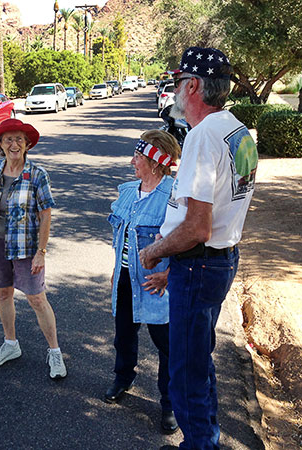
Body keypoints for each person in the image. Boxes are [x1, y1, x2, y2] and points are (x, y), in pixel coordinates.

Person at [139, 47, 258, 450]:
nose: (172, 92)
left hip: (200, 265)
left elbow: (197, 227)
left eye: (176, 83)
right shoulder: (237, 130)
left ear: (192, 85)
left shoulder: (202, 137)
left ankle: (200, 443)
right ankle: (206, 437)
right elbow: (221, 216)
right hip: (217, 261)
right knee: (198, 361)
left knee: (186, 373)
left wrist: (156, 251)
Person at [0, 118, 67, 380]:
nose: (14, 144)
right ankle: (11, 344)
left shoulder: (37, 175)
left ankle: (54, 351)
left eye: (19, 139)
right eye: (8, 139)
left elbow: (46, 215)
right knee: (2, 294)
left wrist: (41, 252)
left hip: (26, 247)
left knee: (36, 298)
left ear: (27, 144)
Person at [106, 130, 181, 435]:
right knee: (123, 336)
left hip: (156, 283)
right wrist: (115, 270)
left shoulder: (174, 197)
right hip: (125, 279)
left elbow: (187, 243)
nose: (132, 161)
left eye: (137, 156)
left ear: (154, 162)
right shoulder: (127, 192)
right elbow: (119, 240)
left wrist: (169, 275)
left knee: (167, 347)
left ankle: (169, 403)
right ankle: (123, 377)